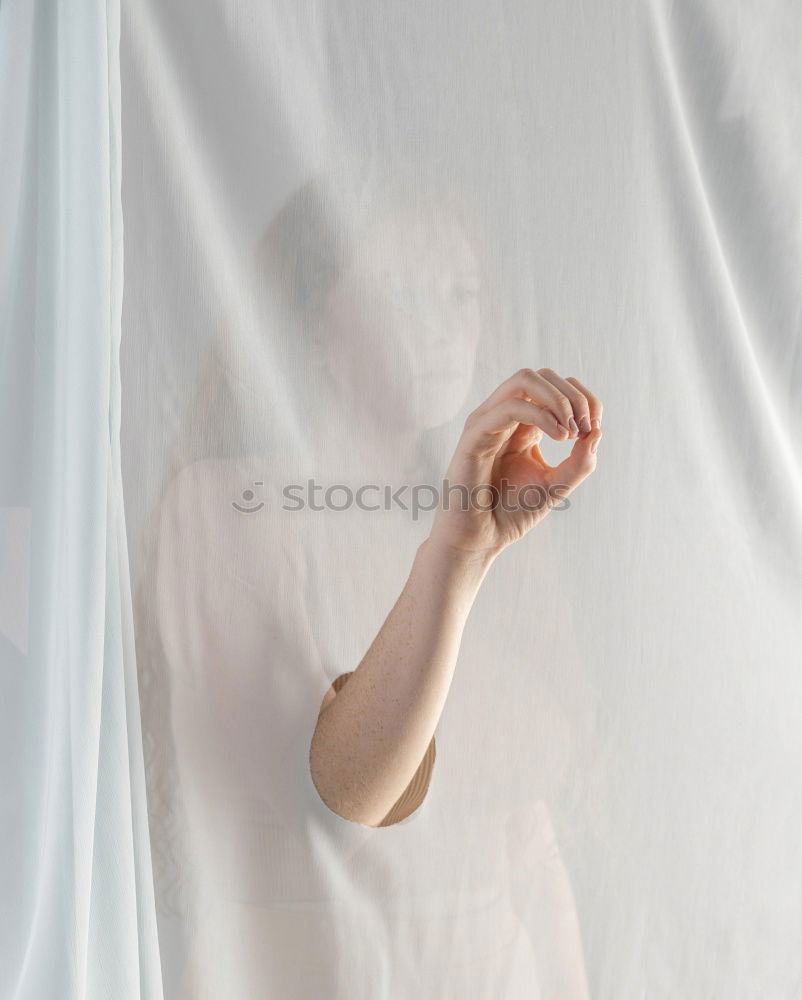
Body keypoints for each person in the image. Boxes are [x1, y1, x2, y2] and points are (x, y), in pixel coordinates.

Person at [134, 170, 601, 998]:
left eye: (461, 295)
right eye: (403, 294)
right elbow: (332, 810)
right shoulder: (229, 511)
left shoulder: (489, 519)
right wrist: (457, 557)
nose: (444, 330)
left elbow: (532, 843)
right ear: (319, 325)